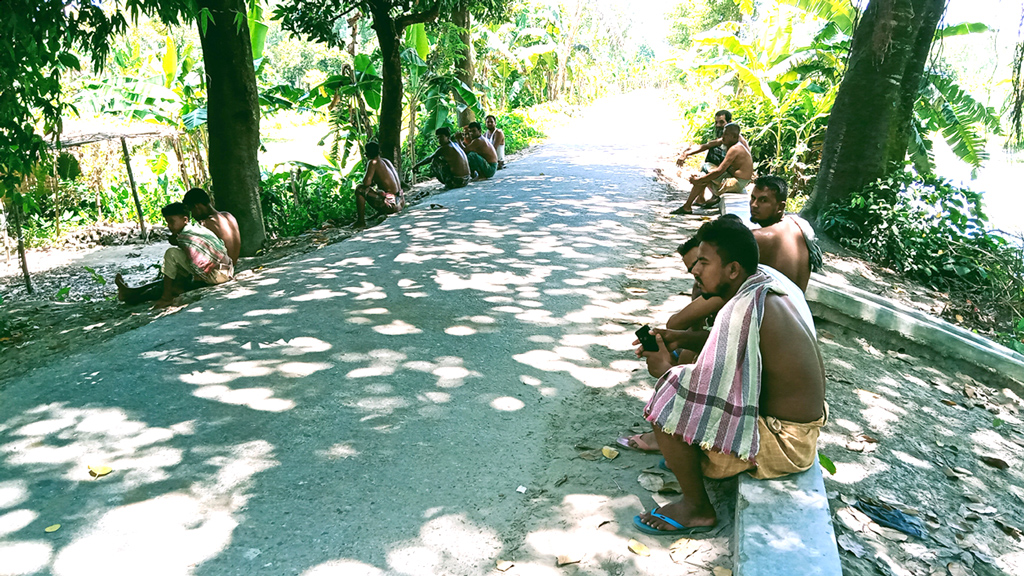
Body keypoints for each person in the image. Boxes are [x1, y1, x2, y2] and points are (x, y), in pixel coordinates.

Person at [633, 217, 827, 535]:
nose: (695, 271)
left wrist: (663, 369)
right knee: (681, 387)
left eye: (704, 263)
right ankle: (688, 461)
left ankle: (696, 509)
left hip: (786, 442)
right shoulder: (759, 286)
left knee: (669, 397)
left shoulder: (740, 309)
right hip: (797, 428)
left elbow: (702, 392)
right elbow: (730, 352)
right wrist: (679, 338)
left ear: (732, 270)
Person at [115, 202, 234, 308]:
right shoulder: (197, 228)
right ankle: (131, 292)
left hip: (217, 275)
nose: (169, 226)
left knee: (171, 255)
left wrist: (185, 284)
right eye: (167, 223)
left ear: (185, 220)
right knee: (172, 277)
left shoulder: (186, 237)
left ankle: (165, 297)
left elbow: (196, 263)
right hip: (227, 269)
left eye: (172, 222)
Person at [746, 175, 823, 291]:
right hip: (797, 306)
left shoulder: (760, 237)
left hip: (773, 308)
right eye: (753, 198)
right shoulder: (796, 227)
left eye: (763, 200)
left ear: (780, 206)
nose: (754, 205)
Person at [672, 123, 753, 215]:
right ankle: (690, 204)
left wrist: (698, 180)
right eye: (723, 134)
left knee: (703, 177)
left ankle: (688, 206)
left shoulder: (735, 148)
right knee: (706, 167)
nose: (723, 137)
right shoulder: (729, 141)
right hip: (733, 177)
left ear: (734, 136)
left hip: (737, 183)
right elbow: (707, 145)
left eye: (725, 134)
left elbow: (719, 171)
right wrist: (686, 154)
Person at [182, 188, 240, 265]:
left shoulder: (206, 224)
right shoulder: (228, 216)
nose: (192, 215)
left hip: (222, 268)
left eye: (191, 211)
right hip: (234, 264)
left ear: (197, 207)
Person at [676, 109, 749, 170]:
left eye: (721, 122)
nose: (718, 125)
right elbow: (706, 145)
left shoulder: (734, 138)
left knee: (714, 150)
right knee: (713, 148)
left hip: (738, 171)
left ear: (729, 122)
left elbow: (708, 146)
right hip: (732, 167)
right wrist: (686, 153)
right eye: (716, 122)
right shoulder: (725, 137)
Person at [354, 142, 405, 228]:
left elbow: (366, 183)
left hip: (392, 205)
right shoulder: (386, 161)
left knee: (360, 189)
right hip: (401, 202)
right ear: (379, 152)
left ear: (367, 154)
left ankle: (361, 221)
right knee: (380, 192)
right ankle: (381, 212)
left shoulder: (373, 162)